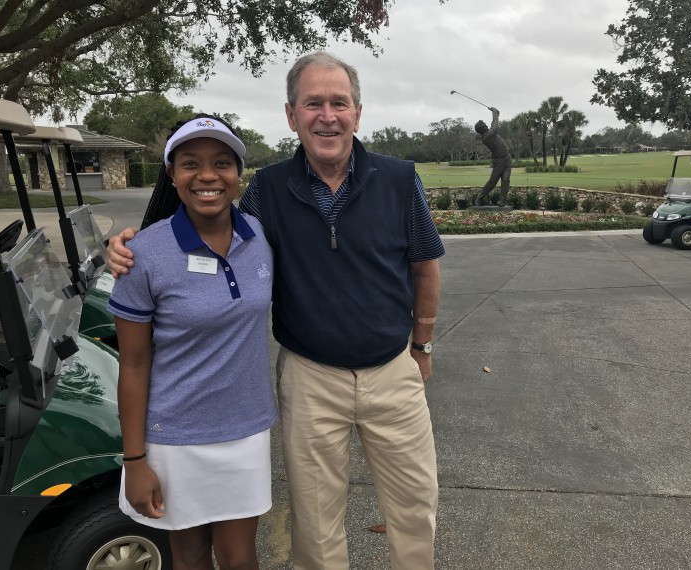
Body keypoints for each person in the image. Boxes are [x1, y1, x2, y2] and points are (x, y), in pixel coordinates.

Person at [108, 52, 444, 570]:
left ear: (357, 112)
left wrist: (421, 344)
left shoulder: (400, 180)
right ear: (292, 115)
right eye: (313, 103)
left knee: (414, 509)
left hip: (391, 370)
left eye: (339, 103)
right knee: (315, 522)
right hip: (310, 378)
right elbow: (208, 219)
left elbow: (425, 265)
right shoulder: (267, 190)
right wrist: (134, 241)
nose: (326, 115)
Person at [107, 114, 277, 570]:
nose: (207, 176)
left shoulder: (259, 237)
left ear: (239, 173)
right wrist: (135, 460)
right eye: (190, 164)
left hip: (245, 430)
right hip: (175, 437)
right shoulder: (142, 254)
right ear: (171, 174)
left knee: (241, 559)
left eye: (222, 162)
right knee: (190, 556)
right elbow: (134, 364)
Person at [474, 106, 513, 206]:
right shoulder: (487, 137)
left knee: (505, 180)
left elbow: (493, 124)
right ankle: (480, 198)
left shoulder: (489, 133)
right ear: (481, 129)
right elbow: (495, 123)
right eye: (483, 125)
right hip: (499, 161)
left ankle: (502, 201)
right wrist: (494, 111)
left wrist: (495, 113)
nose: (485, 125)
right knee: (492, 182)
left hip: (507, 158)